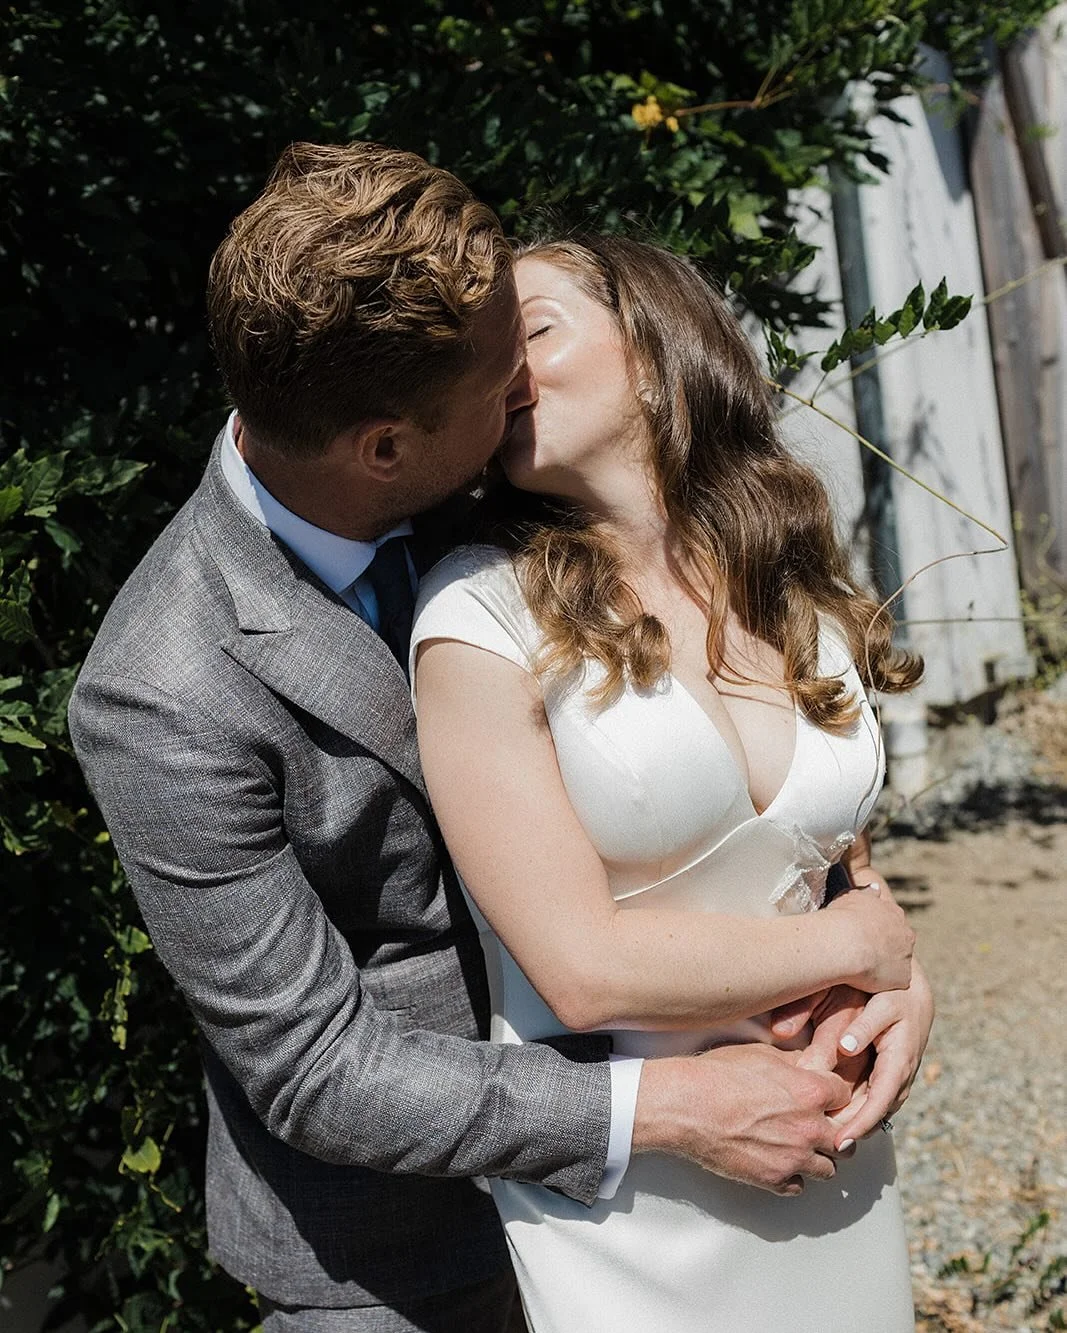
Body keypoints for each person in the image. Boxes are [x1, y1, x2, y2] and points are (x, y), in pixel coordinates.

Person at [67, 143, 929, 1333]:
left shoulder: (517, 490)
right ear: (387, 448)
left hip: (749, 1146)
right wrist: (665, 1108)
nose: (520, 382)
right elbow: (316, 1065)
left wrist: (882, 960)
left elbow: (800, 825)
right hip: (408, 1253)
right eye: (501, 371)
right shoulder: (163, 691)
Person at [411, 234, 933, 1332]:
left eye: (532, 330)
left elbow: (839, 869)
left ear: (652, 343)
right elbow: (581, 967)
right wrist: (856, 948)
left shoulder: (781, 570)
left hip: (830, 1151)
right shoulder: (479, 618)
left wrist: (897, 987)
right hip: (643, 1206)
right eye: (478, 351)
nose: (498, 368)